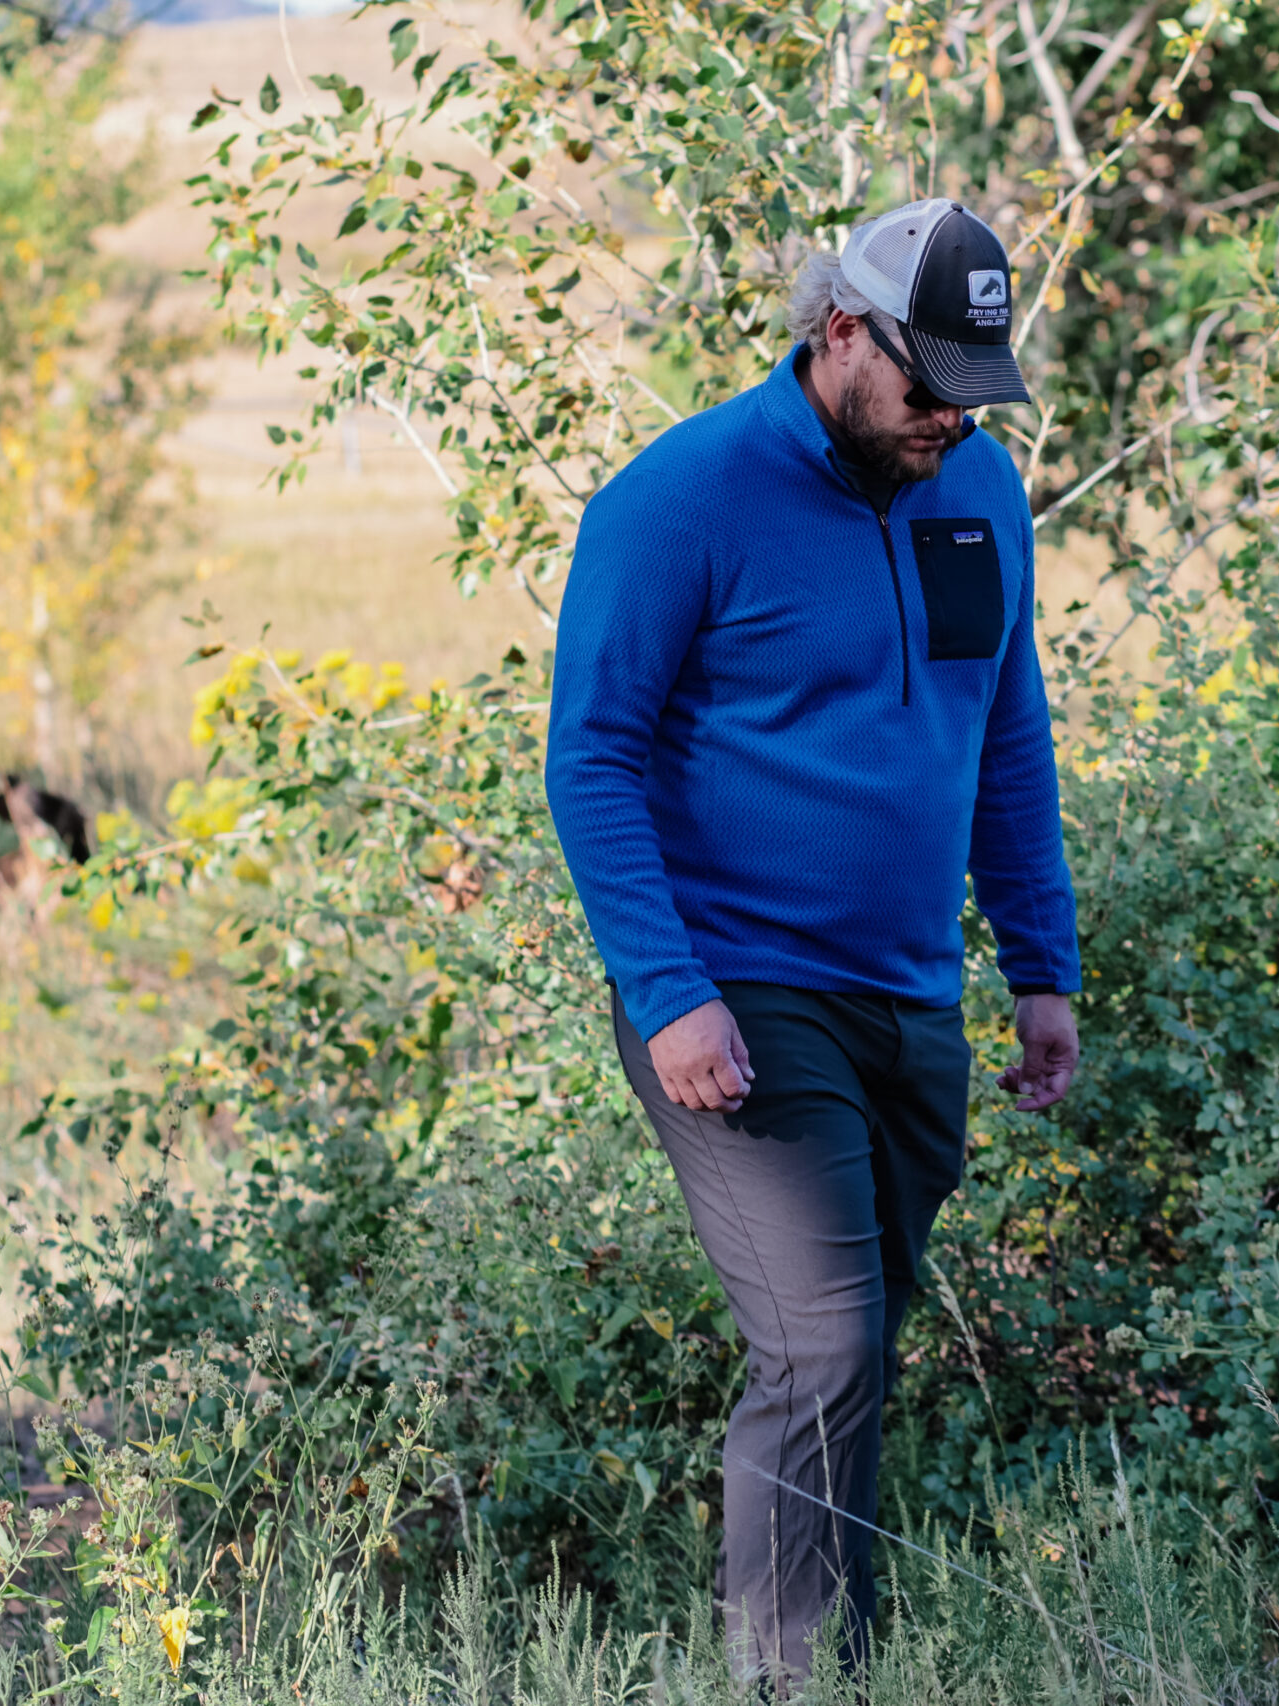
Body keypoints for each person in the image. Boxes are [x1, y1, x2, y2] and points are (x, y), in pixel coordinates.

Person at [543, 198, 1082, 1687]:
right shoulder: (680, 503)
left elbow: (1007, 739)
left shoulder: (983, 496)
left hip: (908, 996)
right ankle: (792, 1676)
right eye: (926, 388)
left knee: (855, 1345)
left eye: (976, 393)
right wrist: (669, 994)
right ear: (839, 332)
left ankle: (833, 1650)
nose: (950, 423)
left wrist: (1041, 965)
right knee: (824, 1344)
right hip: (739, 990)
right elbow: (588, 758)